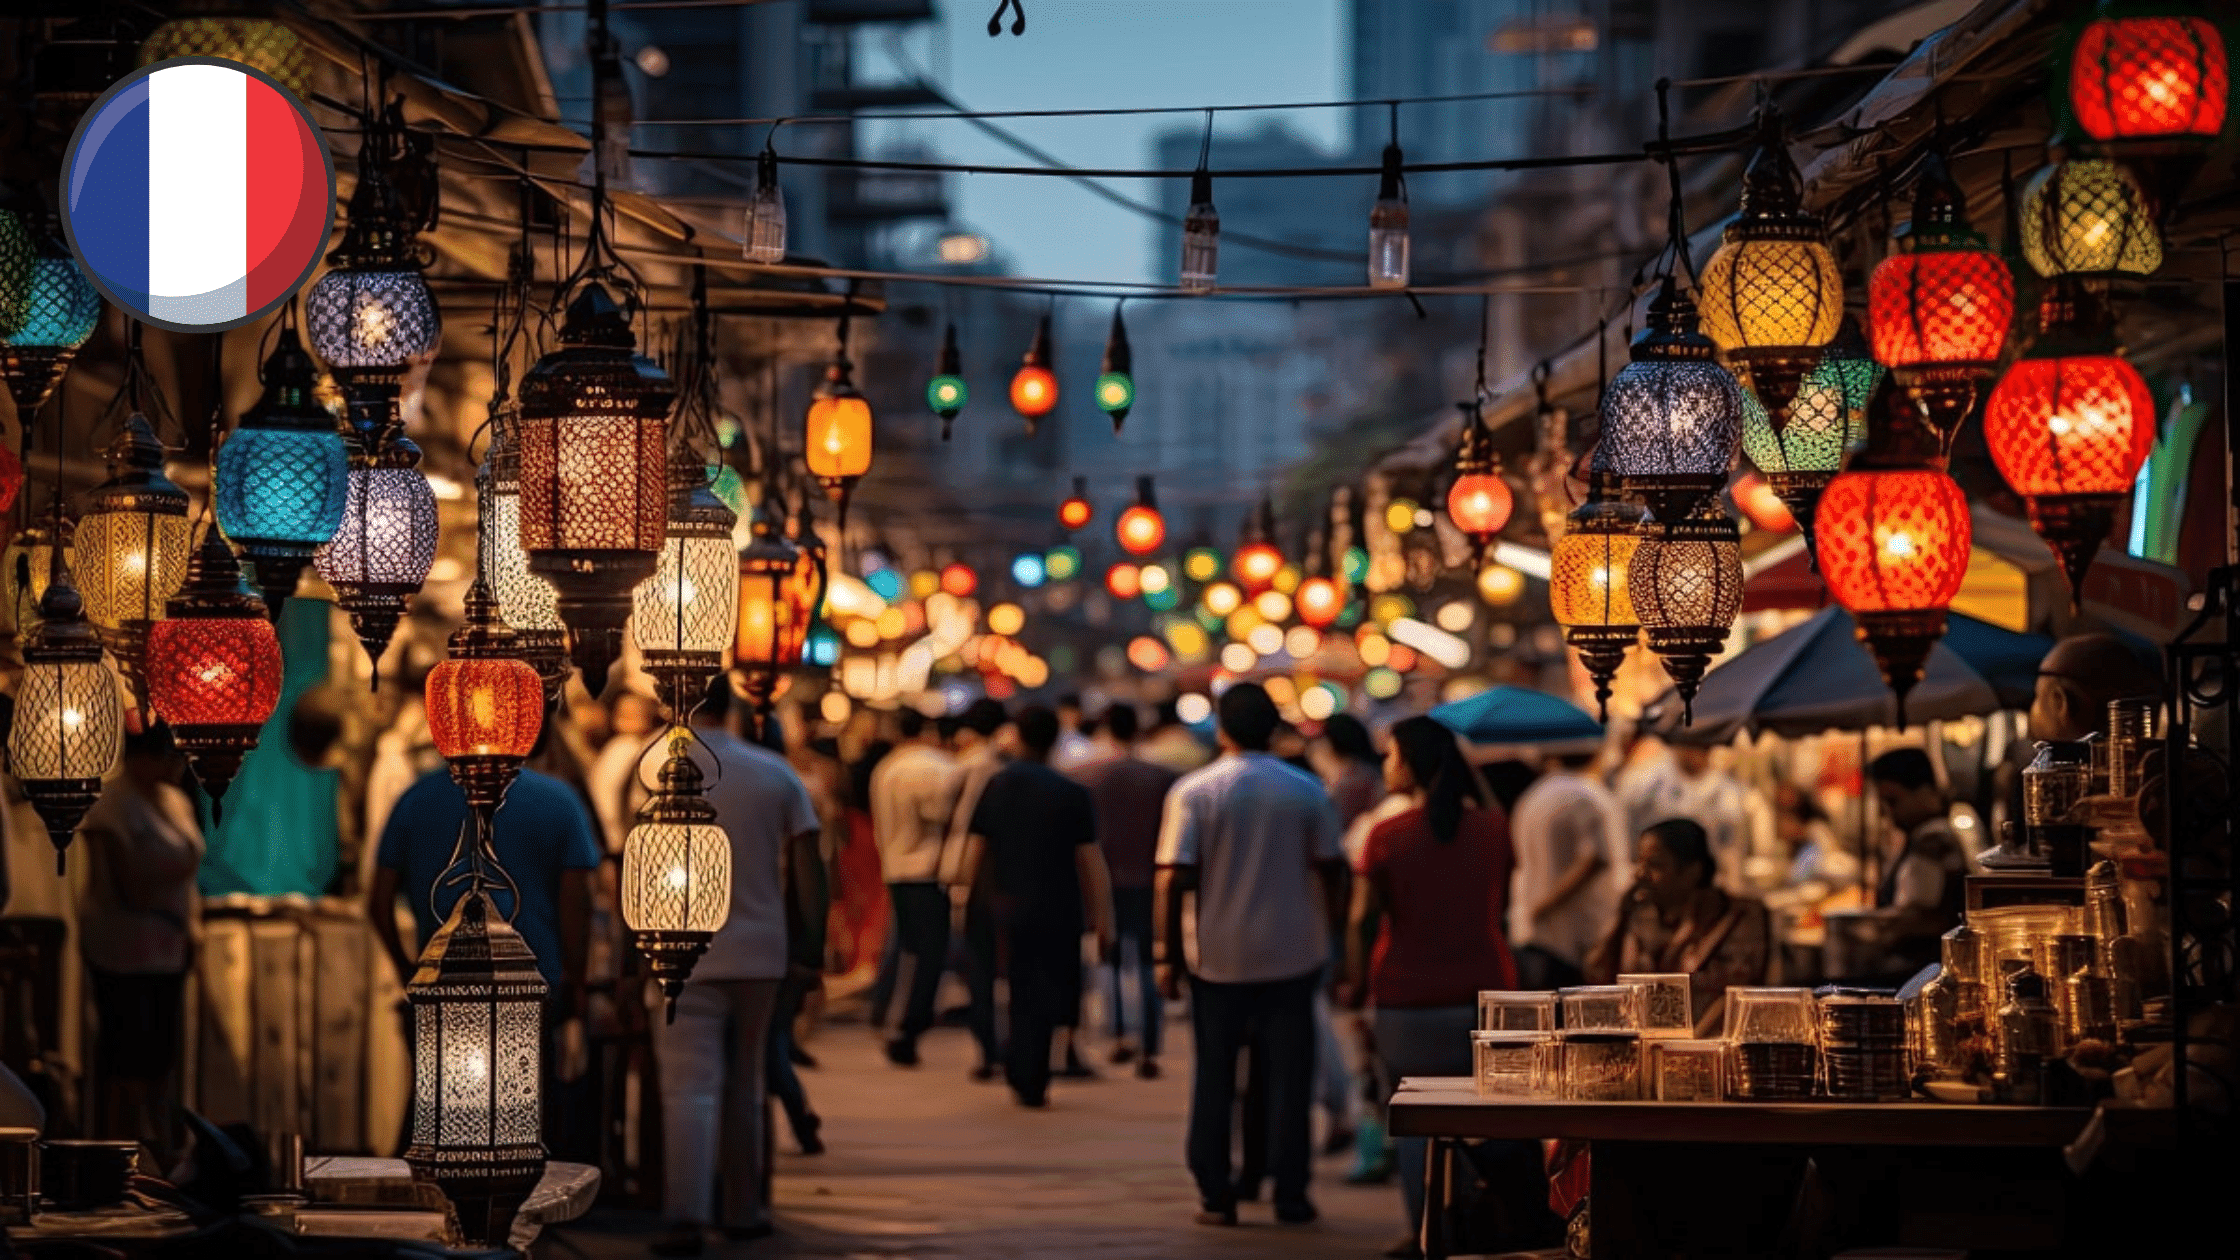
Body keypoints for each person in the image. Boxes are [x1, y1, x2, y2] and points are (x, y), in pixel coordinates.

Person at [1156, 683, 1347, 1228]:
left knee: (1215, 1077)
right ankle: (1290, 1192)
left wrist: (1165, 955)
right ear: (1275, 729)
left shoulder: (1195, 792)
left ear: (1221, 729)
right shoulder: (1308, 790)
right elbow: (1334, 868)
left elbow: (1172, 878)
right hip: (1294, 953)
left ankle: (1218, 1191)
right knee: (1288, 1077)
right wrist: (1335, 944)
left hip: (1216, 959)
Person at [368, 724, 602, 1162]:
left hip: (443, 985)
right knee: (526, 1117)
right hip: (534, 985)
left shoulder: (416, 800)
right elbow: (577, 903)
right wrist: (576, 976)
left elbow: (378, 901)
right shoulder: (557, 802)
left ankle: (438, 1206)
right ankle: (526, 1212)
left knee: (439, 1110)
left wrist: (409, 971)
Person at [649, 677, 823, 1256]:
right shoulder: (776, 773)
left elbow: (632, 870)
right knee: (747, 1083)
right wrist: (808, 952)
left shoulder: (655, 770)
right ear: (732, 706)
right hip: (759, 950)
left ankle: (686, 1216)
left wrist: (632, 962)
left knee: (687, 1088)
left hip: (677, 951)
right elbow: (808, 871)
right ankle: (743, 1212)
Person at [1344, 716, 1518, 1254]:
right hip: (1485, 993)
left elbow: (1362, 920)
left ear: (1413, 764)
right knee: (1483, 1118)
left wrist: (1354, 988)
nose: (1386, 765)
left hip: (1407, 997)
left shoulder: (1387, 835)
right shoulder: (1492, 827)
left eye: (1392, 755)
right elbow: (1502, 904)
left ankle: (1428, 1231)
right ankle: (1481, 1223)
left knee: (1418, 1124)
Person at [965, 706, 1114, 1107]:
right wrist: (1104, 920)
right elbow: (1091, 863)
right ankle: (1038, 1069)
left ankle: (1021, 1067)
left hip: (1007, 905)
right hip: (1060, 908)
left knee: (1017, 984)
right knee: (1053, 986)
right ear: (1053, 741)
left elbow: (976, 850)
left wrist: (964, 902)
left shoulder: (996, 786)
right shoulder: (1072, 792)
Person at [78, 723, 202, 1163]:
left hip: (168, 948)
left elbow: (190, 871)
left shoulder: (175, 801)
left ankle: (160, 1152)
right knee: (125, 1055)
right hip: (123, 949)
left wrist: (191, 927)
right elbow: (124, 883)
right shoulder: (112, 803)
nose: (176, 766)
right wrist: (174, 879)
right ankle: (119, 1153)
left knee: (160, 1057)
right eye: (168, 757)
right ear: (142, 758)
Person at [1070, 702, 1178, 1077]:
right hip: (1149, 881)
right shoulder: (1162, 778)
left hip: (1105, 882)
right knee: (1149, 965)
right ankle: (1150, 1046)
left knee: (1109, 962)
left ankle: (1117, 1036)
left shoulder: (1085, 776)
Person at [1588, 819, 1774, 1036]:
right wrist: (1622, 919)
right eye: (1639, 863)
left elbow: (1734, 997)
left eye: (1655, 865)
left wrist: (1687, 1048)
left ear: (1692, 871)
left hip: (1712, 1049)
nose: (1639, 874)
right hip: (1649, 1047)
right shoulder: (1642, 915)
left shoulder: (1738, 916)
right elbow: (1597, 978)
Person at [867, 707, 956, 1067]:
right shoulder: (932, 767)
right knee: (927, 955)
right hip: (927, 870)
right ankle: (906, 1026)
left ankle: (885, 1012)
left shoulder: (886, 768)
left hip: (894, 866)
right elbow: (943, 813)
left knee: (904, 948)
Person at [1506, 748, 1624, 989]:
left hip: (1535, 931)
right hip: (1572, 938)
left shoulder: (1533, 796)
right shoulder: (1587, 796)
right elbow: (1596, 858)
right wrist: (1546, 905)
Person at [940, 698, 1011, 1079]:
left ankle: (987, 1046)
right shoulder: (1001, 766)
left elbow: (945, 813)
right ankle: (1002, 1042)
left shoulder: (964, 765)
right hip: (996, 870)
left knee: (979, 964)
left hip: (962, 866)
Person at [1866, 748, 1968, 980]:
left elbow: (1916, 913)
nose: (1888, 813)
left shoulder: (1932, 842)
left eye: (1893, 801)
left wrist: (1873, 928)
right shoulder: (1928, 836)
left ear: (1925, 792)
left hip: (1922, 973)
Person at [1623, 743, 1753, 894]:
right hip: (1654, 886)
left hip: (1704, 890)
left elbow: (1730, 850)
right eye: (1691, 741)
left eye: (1703, 743)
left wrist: (1732, 888)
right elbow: (1626, 842)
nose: (1696, 751)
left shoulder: (1726, 792)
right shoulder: (1646, 782)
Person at [587, 690, 661, 852]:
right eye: (625, 714)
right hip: (623, 840)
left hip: (613, 839)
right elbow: (615, 799)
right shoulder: (626, 748)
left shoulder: (622, 747)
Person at [1312, 714, 1384, 832]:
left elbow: (1333, 830)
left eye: (1320, 740)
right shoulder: (1366, 772)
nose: (1315, 747)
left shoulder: (1352, 783)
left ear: (1331, 745)